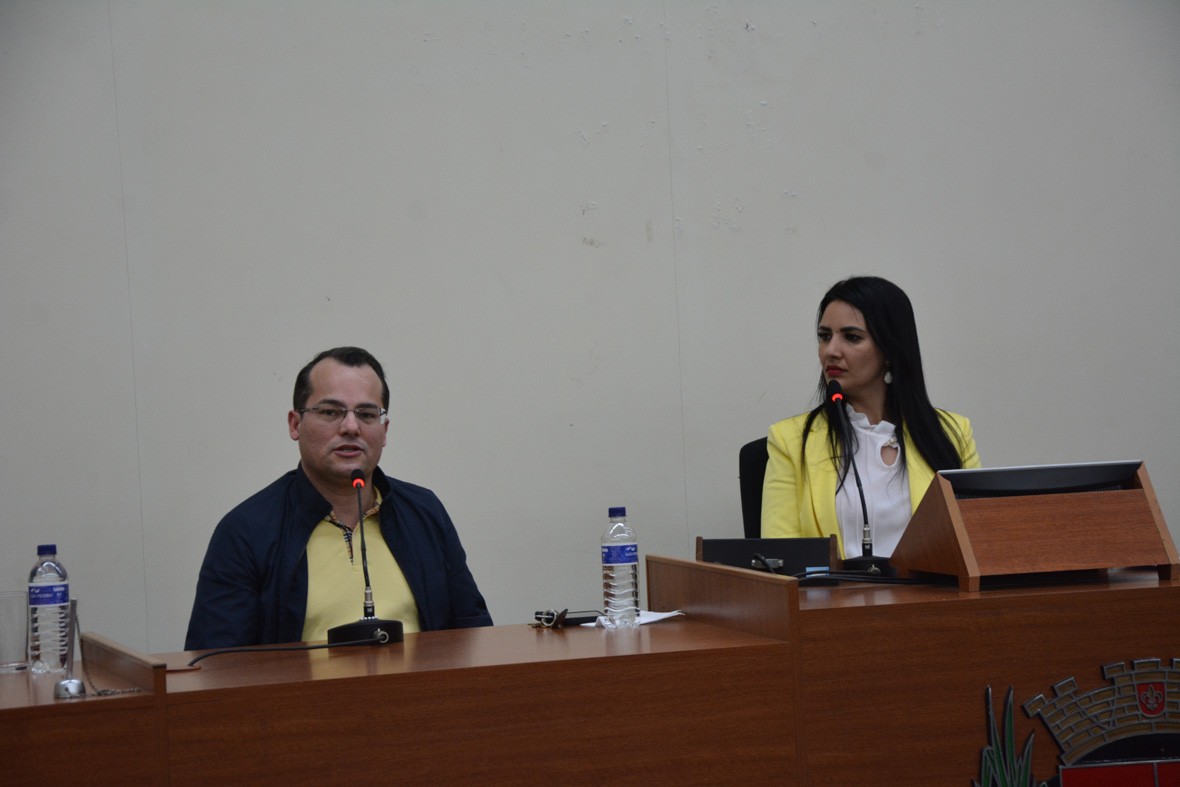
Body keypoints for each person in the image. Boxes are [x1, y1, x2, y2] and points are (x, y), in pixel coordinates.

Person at [185, 346, 491, 650]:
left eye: (367, 414)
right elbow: (215, 664)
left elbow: (474, 636)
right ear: (295, 424)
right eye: (330, 412)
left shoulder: (425, 513)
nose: (350, 427)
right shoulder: (246, 531)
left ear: (384, 430)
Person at [760, 276, 980, 559]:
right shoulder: (789, 440)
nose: (831, 351)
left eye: (851, 337)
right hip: (831, 589)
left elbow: (978, 544)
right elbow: (782, 560)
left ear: (890, 349)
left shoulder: (953, 433)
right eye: (825, 336)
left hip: (930, 588)